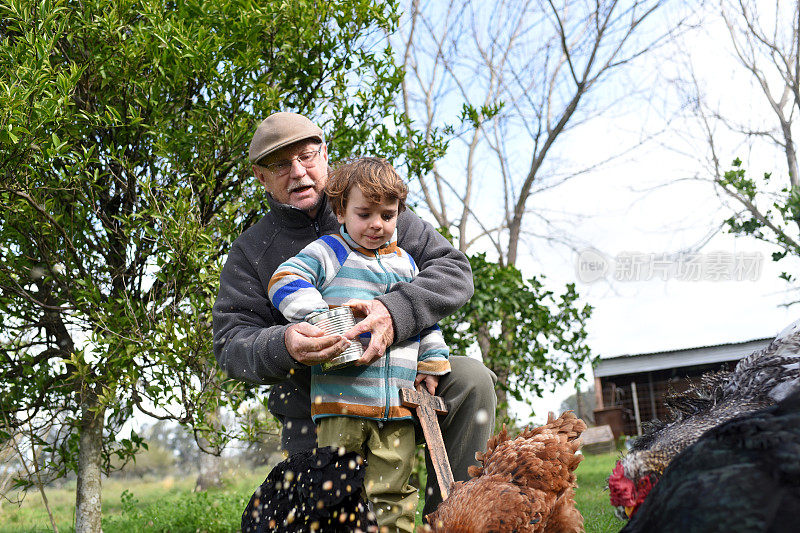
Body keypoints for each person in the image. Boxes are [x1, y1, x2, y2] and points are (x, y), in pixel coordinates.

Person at [212, 112, 497, 518]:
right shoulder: (251, 250)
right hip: (318, 410)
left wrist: (393, 312)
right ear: (261, 177)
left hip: (402, 389)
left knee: (471, 380)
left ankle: (452, 521)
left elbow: (454, 272)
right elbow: (229, 344)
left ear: (325, 155)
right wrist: (285, 343)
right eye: (280, 164)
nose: (298, 172)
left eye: (307, 156)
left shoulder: (376, 207)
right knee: (333, 512)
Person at [268, 157, 449, 530]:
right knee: (338, 490)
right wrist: (319, 316)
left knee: (394, 491)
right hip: (340, 404)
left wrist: (431, 363)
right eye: (364, 214)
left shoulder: (407, 265)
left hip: (396, 406)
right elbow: (284, 280)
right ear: (341, 210)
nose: (377, 225)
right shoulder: (330, 252)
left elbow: (424, 319)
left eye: (387, 214)